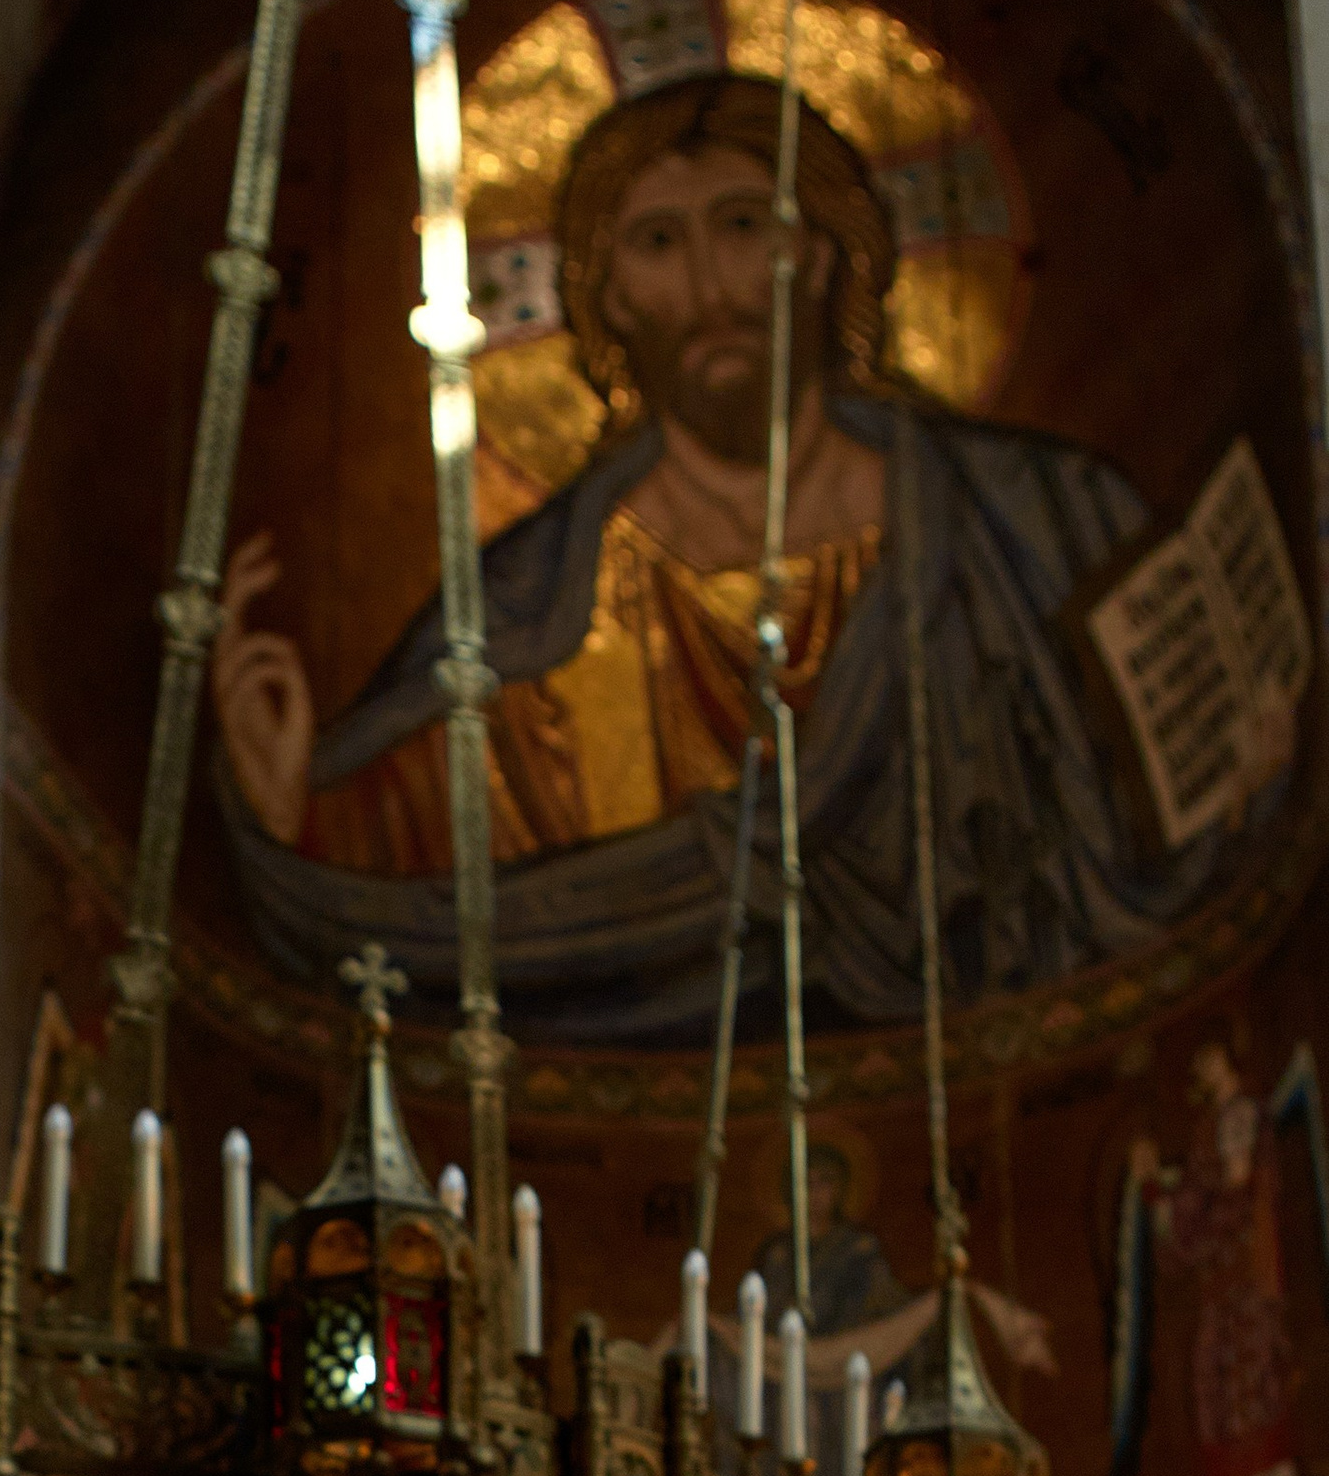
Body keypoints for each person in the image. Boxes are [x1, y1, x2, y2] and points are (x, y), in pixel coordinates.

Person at [211, 76, 1235, 1041]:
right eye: (657, 242)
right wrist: (291, 804)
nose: (709, 285)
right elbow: (399, 907)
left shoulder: (1041, 522)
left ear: (826, 252)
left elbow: (1169, 815)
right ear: (604, 296)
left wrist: (1248, 772)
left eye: (746, 225)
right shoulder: (528, 616)